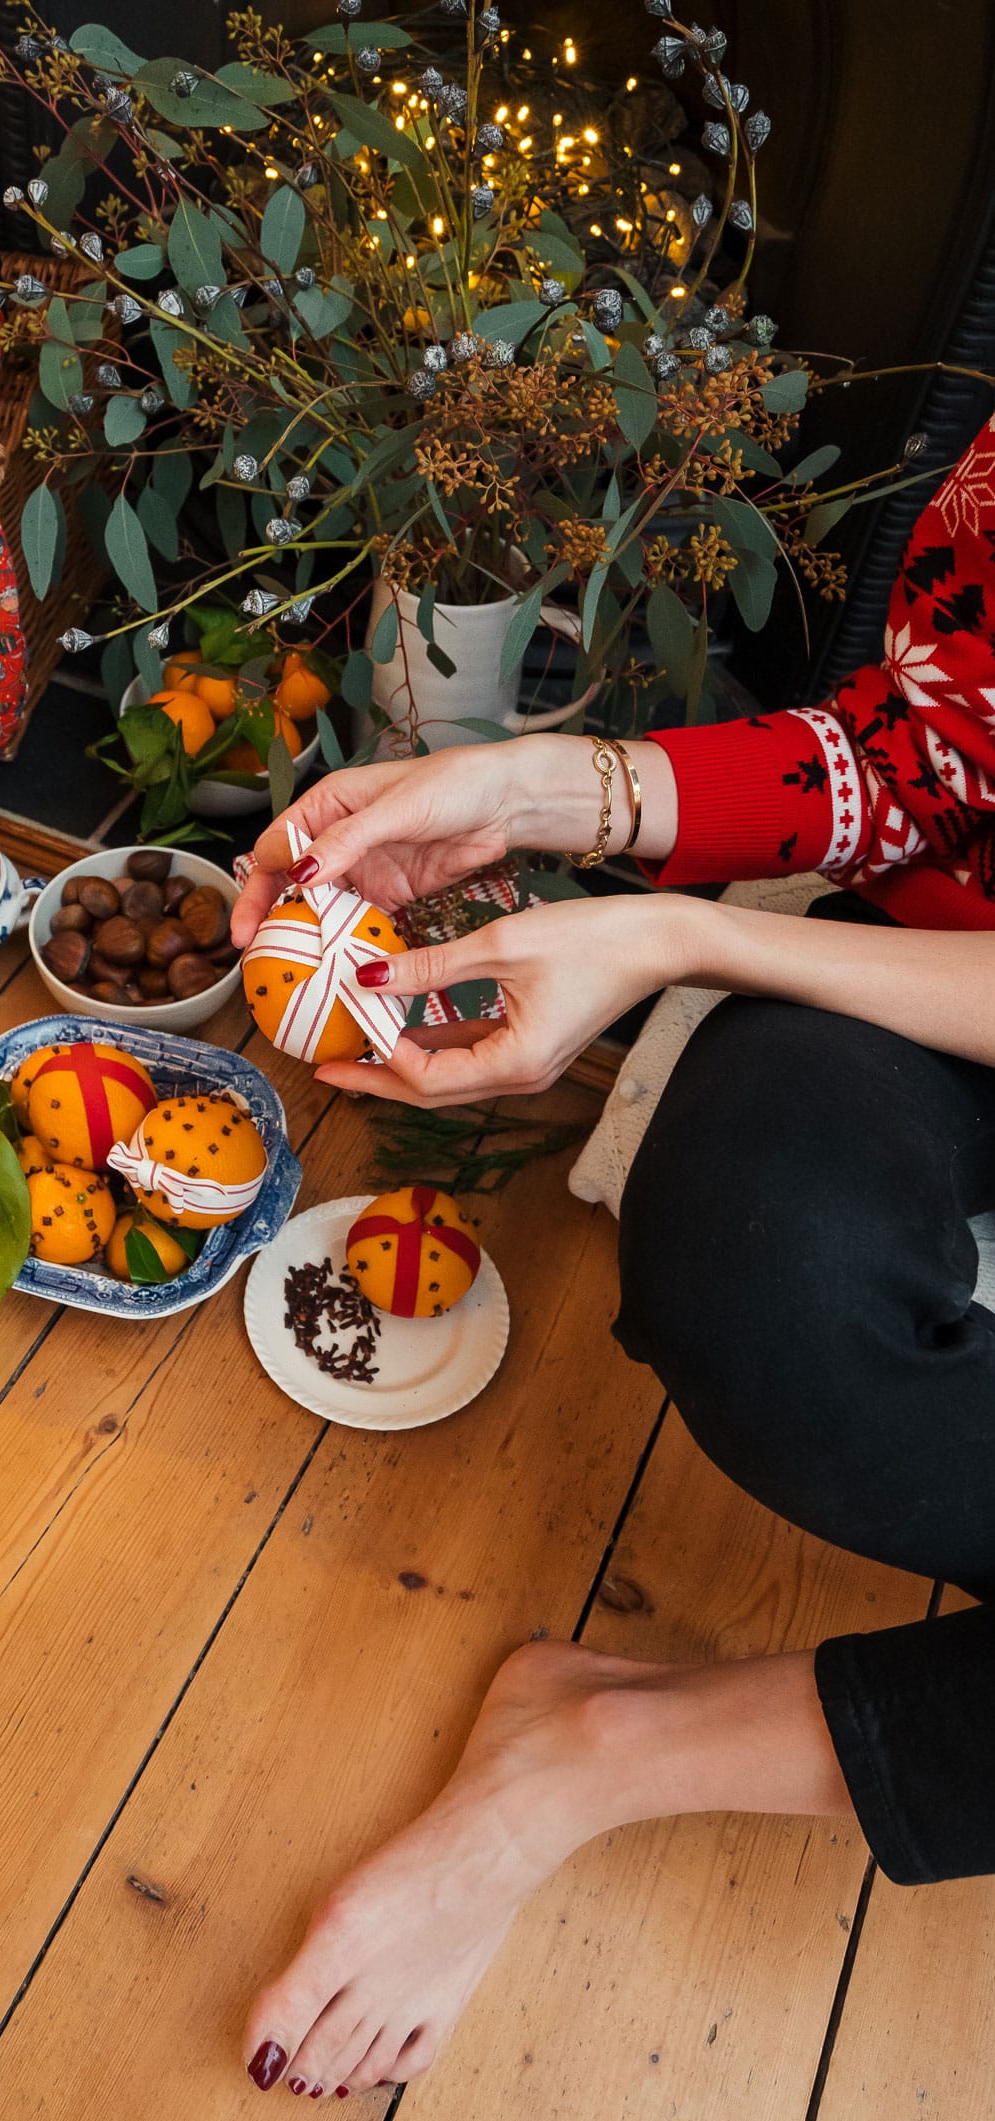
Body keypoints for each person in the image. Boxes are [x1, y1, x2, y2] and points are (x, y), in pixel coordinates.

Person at [228, 419, 995, 2100]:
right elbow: (927, 753)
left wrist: (679, 934)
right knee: (757, 1265)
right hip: (937, 981)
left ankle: (593, 1752)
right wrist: (531, 785)